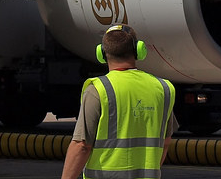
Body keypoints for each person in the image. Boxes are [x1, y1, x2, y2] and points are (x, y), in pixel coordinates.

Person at [61, 24, 177, 179]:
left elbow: (82, 146)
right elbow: (166, 142)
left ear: (101, 53)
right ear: (139, 50)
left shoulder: (98, 89)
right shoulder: (164, 88)